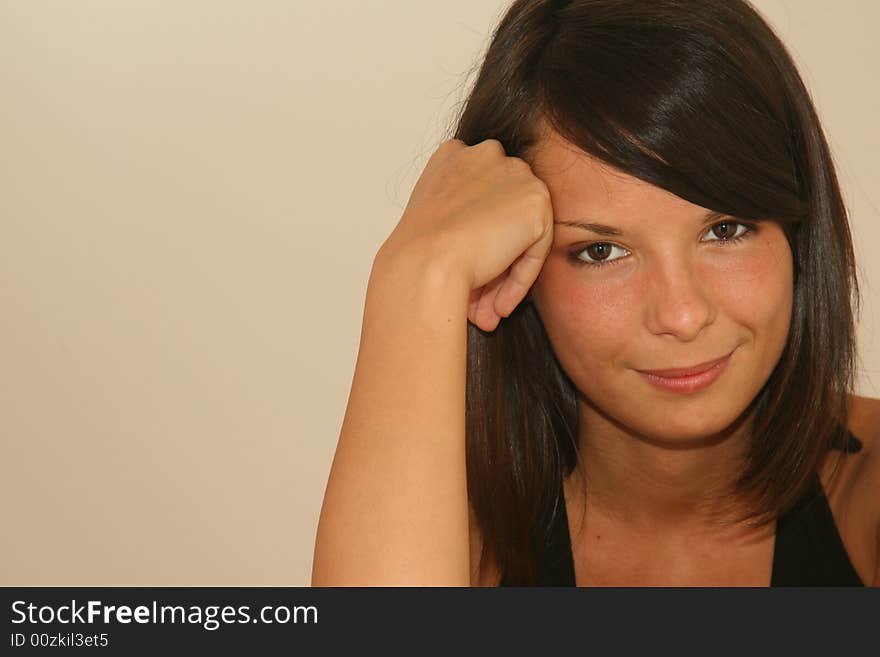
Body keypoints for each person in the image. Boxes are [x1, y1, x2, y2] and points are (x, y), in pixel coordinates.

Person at [311, 0, 880, 586]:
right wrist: (418, 276)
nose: (682, 315)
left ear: (797, 231)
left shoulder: (868, 490)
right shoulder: (453, 529)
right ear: (518, 274)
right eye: (601, 252)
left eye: (725, 230)